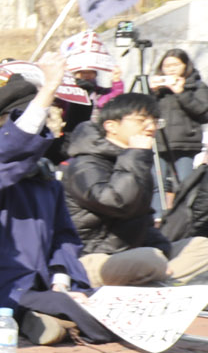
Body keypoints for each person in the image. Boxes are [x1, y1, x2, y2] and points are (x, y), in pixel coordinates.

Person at [0, 55, 110, 345]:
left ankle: (44, 315)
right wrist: (47, 90)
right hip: (4, 283)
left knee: (93, 303)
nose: (45, 135)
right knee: (74, 310)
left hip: (43, 282)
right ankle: (39, 316)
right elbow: (11, 149)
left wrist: (62, 281)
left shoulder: (45, 179)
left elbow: (63, 237)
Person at [63, 92, 208, 286]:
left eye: (155, 121)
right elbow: (117, 202)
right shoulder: (86, 164)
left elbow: (142, 218)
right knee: (147, 260)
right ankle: (162, 283)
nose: (150, 127)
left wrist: (162, 249)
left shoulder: (133, 159)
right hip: (93, 259)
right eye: (141, 120)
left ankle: (161, 282)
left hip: (133, 253)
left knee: (202, 246)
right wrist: (136, 154)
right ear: (111, 126)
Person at [151, 48, 208, 182]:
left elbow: (203, 113)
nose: (171, 69)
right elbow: (145, 112)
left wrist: (181, 92)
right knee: (157, 183)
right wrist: (152, 92)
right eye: (167, 66)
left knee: (184, 183)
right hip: (159, 140)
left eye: (176, 65)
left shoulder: (196, 86)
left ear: (185, 65)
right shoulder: (158, 88)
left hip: (185, 143)